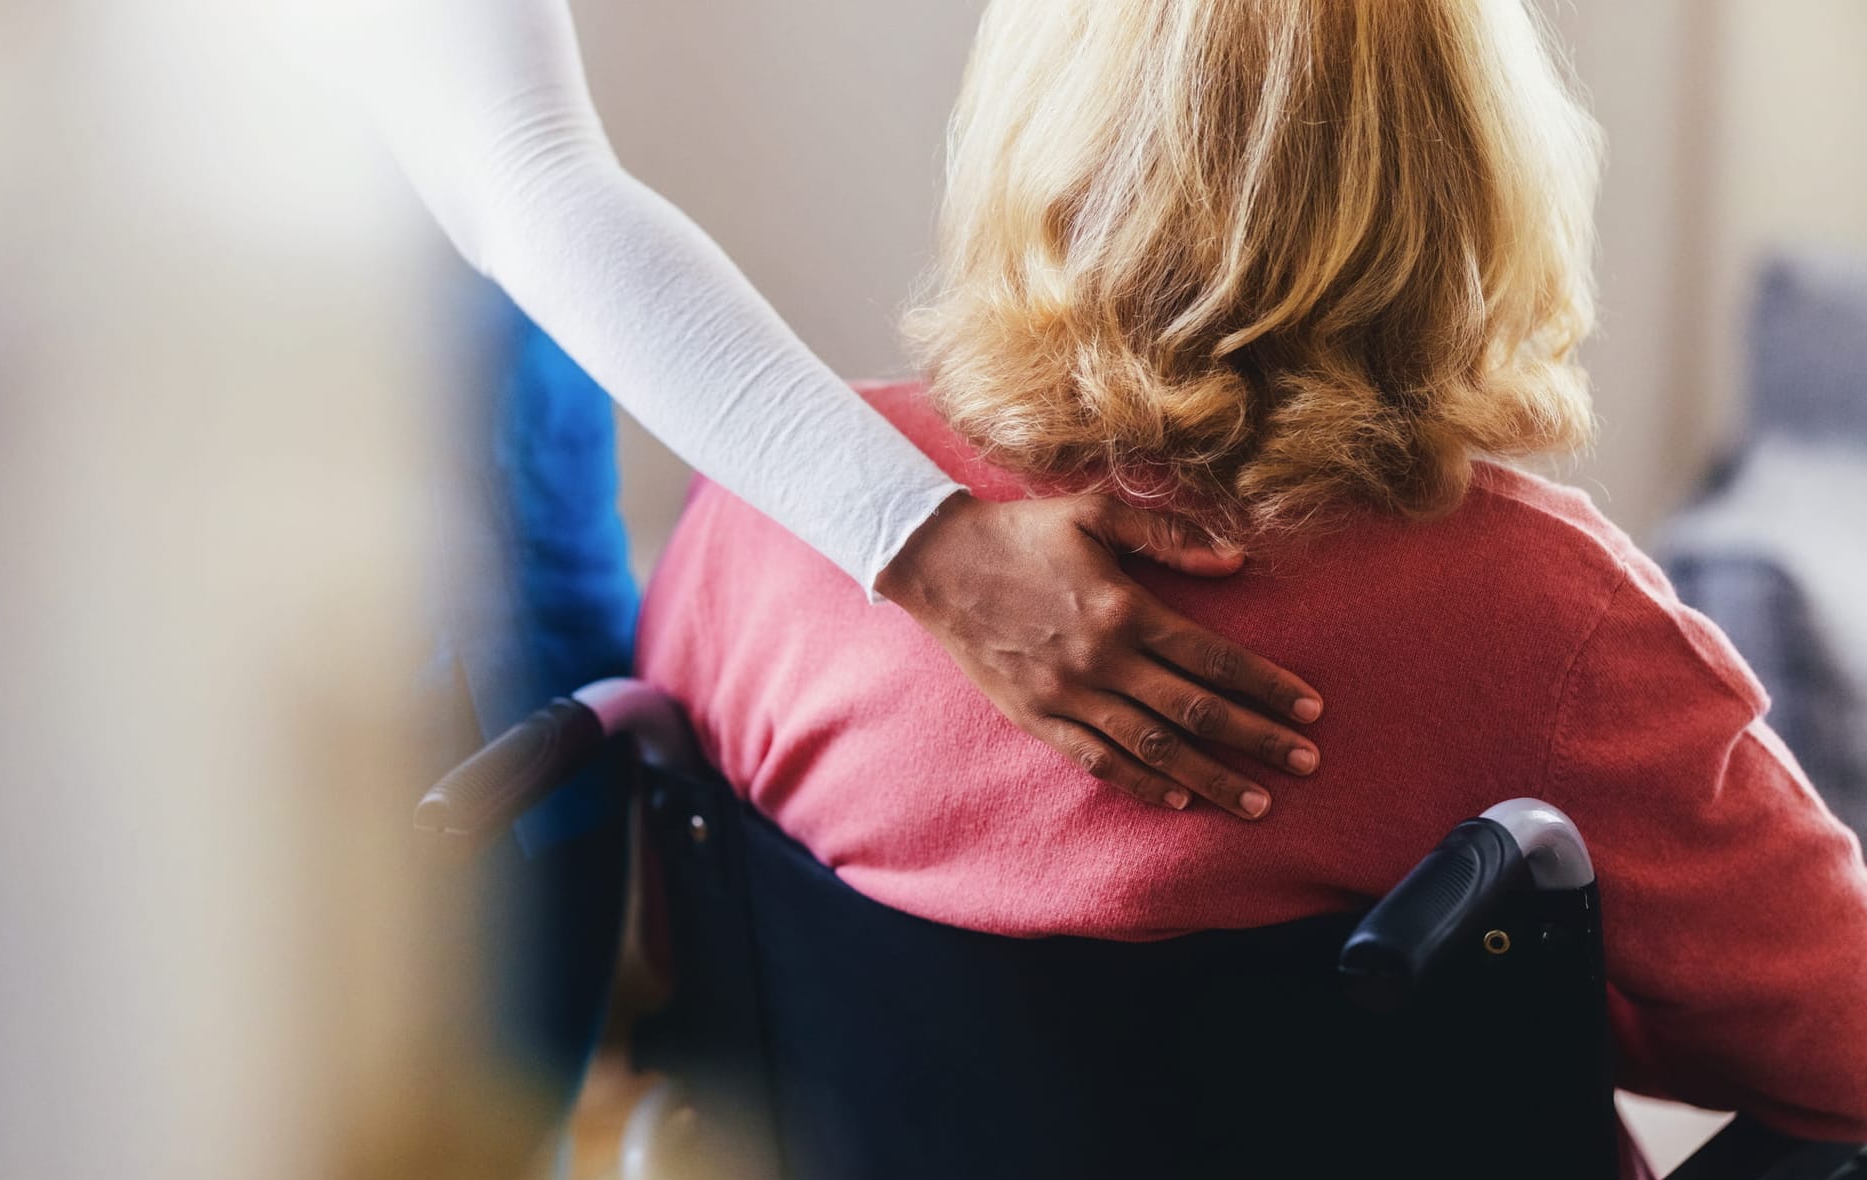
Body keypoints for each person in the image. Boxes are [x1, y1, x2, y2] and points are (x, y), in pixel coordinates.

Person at [636, 0, 1867, 1141]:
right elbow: (1840, 1047)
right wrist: (1540, 991)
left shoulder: (784, 508)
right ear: (1468, 174)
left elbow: (689, 915)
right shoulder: (1551, 619)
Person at [315, 0, 1324, 820]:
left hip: (516, 435)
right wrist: (929, 550)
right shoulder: (1486, 565)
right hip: (390, 491)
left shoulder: (735, 550)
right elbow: (517, 170)